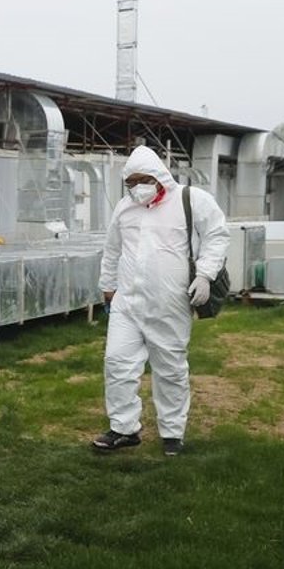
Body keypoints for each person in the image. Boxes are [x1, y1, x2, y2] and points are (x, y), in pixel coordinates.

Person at [93, 145, 229, 457]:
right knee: (117, 363)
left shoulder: (190, 199)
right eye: (131, 182)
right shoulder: (125, 208)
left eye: (143, 180)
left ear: (159, 176)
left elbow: (217, 235)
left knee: (169, 368)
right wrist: (108, 286)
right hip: (127, 302)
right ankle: (124, 429)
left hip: (169, 302)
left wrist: (205, 275)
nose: (137, 187)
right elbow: (112, 248)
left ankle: (172, 433)